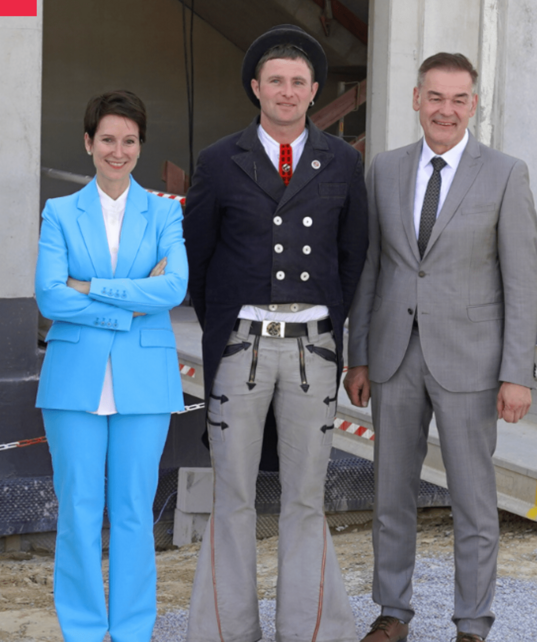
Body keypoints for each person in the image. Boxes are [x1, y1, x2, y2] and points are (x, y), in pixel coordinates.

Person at [344, 52, 537, 642]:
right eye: (436, 97)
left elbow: (522, 280)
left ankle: (472, 624)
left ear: (473, 105)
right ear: (416, 99)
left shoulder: (506, 173)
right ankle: (393, 614)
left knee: (475, 504)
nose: (446, 110)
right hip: (393, 356)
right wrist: (359, 353)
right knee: (390, 494)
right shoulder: (384, 168)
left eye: (459, 99)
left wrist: (517, 373)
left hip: (472, 362)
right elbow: (373, 266)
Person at [184, 25, 369, 642]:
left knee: (306, 495)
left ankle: (312, 630)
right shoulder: (217, 160)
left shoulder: (342, 160)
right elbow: (198, 262)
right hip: (242, 344)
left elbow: (353, 258)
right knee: (232, 493)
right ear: (256, 89)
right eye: (275, 81)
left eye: (298, 82)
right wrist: (227, 333)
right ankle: (224, 631)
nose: (286, 92)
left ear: (314, 91)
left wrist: (333, 336)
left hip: (313, 347)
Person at [34, 90, 188, 642]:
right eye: (107, 140)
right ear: (88, 143)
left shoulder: (165, 211)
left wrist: (92, 288)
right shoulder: (60, 212)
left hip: (144, 382)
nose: (117, 151)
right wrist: (129, 305)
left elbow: (173, 287)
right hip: (74, 380)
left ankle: (130, 631)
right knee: (77, 511)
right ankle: (80, 630)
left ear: (140, 146)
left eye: (128, 141)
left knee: (132, 512)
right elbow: (50, 298)